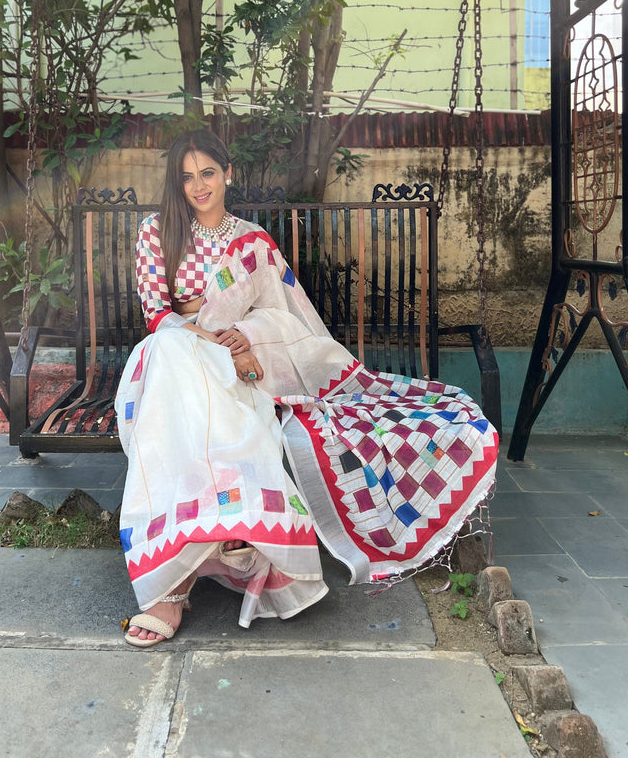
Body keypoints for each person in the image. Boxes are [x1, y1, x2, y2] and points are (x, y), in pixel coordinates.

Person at [116, 130, 498, 647]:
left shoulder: (250, 241)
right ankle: (179, 573)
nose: (197, 186)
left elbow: (282, 315)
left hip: (241, 359)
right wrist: (210, 340)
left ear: (228, 173)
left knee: (228, 394)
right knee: (176, 367)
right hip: (174, 350)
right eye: (186, 177)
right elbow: (157, 315)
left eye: (207, 173)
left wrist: (244, 339)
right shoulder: (156, 231)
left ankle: (208, 549)